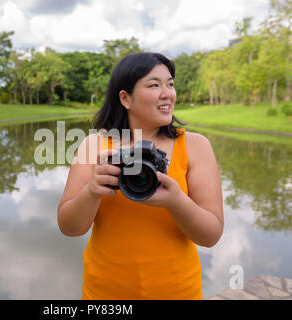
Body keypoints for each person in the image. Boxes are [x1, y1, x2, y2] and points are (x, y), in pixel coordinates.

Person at [57, 52, 224, 300]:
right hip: (104, 295)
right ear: (125, 98)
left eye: (170, 84)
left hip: (179, 292)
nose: (167, 93)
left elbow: (210, 236)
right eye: (154, 85)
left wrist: (176, 201)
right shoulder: (95, 146)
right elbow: (70, 228)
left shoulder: (196, 146)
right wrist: (92, 191)